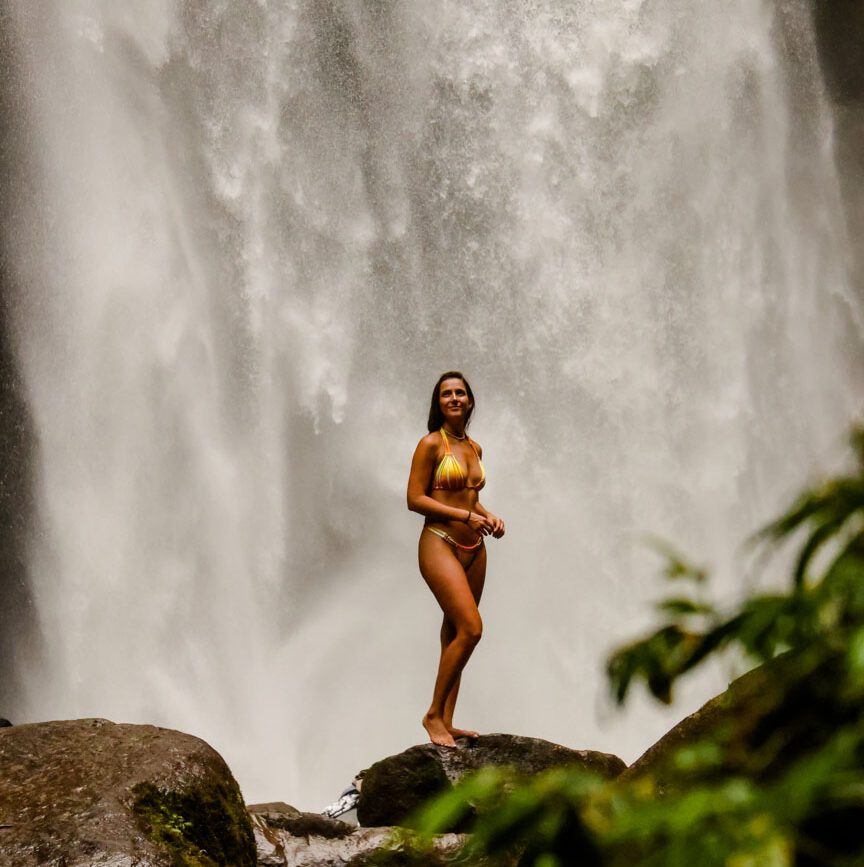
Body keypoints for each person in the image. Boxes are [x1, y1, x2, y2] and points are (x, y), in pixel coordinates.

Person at [407, 371, 505, 747]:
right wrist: (465, 517)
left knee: (453, 633)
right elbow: (415, 498)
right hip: (439, 542)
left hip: (474, 549)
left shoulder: (475, 448)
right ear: (438, 403)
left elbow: (468, 496)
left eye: (460, 393)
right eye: (446, 393)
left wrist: (488, 515)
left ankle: (446, 721)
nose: (454, 398)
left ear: (470, 401)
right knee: (471, 629)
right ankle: (432, 714)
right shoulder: (431, 444)